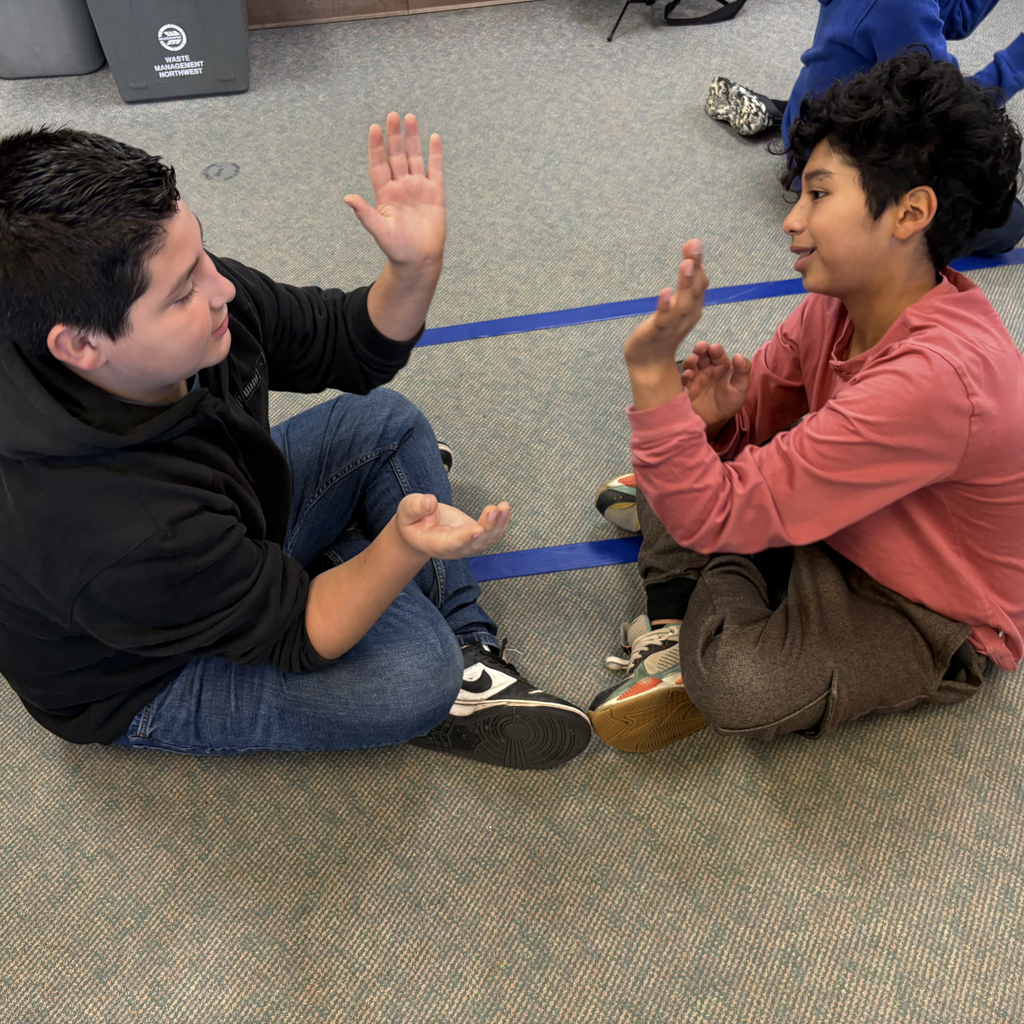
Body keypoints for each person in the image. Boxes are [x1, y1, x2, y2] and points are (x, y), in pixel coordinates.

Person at [0, 118, 592, 769]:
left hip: (219, 531)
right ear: (81, 345)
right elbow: (303, 635)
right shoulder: (112, 529)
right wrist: (397, 545)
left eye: (200, 254)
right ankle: (435, 643)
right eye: (181, 294)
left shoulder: (188, 297)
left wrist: (414, 268)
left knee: (385, 422)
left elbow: (345, 342)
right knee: (417, 675)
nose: (221, 286)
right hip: (143, 675)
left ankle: (455, 630)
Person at [588, 53, 1024, 752]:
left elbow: (719, 508)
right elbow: (760, 418)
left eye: (819, 194)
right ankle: (679, 602)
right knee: (694, 444)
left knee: (742, 685)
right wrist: (723, 421)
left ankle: (681, 576)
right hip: (840, 523)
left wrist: (652, 378)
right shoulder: (838, 308)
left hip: (926, 609)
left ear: (911, 211)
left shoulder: (937, 380)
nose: (792, 220)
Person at [703, 0, 1024, 254]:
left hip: (812, 122)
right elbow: (947, 110)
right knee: (1008, 222)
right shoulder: (901, 5)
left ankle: (783, 116)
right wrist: (1015, 63)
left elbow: (955, 17)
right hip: (834, 166)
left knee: (863, 67)